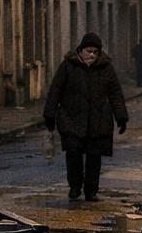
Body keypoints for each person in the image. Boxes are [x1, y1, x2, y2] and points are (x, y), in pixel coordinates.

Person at [43, 31, 128, 202]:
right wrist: (49, 114)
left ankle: (91, 190)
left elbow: (115, 93)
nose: (92, 55)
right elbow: (56, 89)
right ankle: (75, 187)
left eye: (95, 52)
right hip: (72, 118)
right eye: (89, 51)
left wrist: (121, 117)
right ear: (81, 50)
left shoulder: (105, 68)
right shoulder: (68, 66)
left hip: (97, 120)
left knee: (94, 156)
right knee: (73, 153)